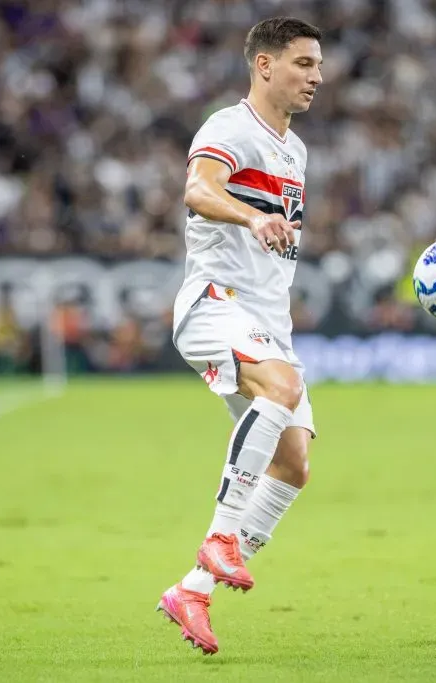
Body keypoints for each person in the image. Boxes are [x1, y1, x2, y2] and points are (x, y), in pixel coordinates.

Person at [157, 16, 323, 655]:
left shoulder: (295, 149)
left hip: (267, 322)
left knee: (293, 465)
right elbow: (198, 190)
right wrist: (252, 217)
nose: (316, 76)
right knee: (279, 388)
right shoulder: (230, 127)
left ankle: (192, 591)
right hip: (214, 302)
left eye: (318, 65)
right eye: (303, 63)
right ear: (264, 65)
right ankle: (222, 537)